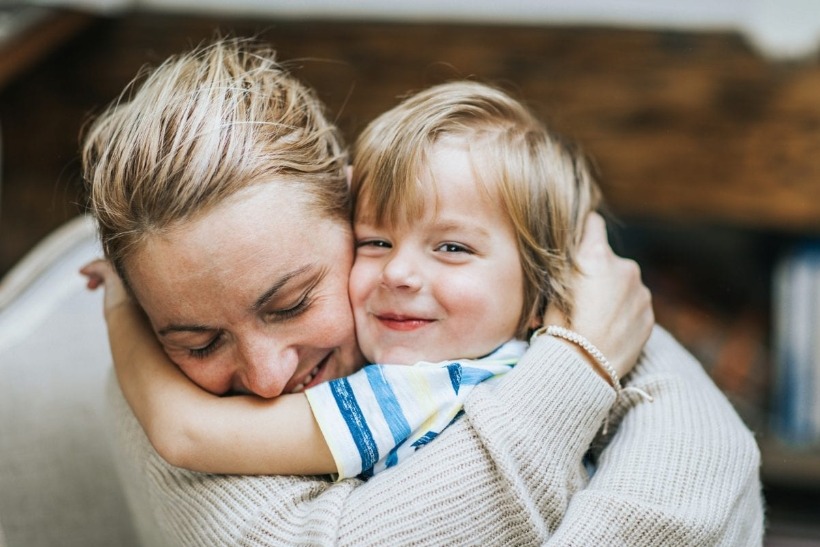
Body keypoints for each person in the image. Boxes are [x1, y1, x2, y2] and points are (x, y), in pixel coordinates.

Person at [81, 38, 763, 545]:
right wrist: (575, 370)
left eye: (290, 302)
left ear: (351, 202)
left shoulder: (449, 336)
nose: (265, 378)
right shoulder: (152, 384)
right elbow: (184, 433)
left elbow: (710, 454)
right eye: (196, 340)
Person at [86, 79, 656, 481]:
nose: (265, 382)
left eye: (291, 303)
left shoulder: (420, 390)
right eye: (377, 242)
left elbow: (185, 434)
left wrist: (118, 305)